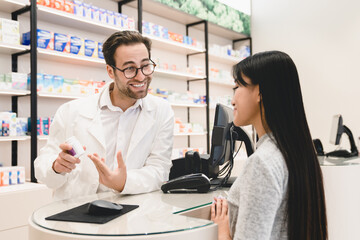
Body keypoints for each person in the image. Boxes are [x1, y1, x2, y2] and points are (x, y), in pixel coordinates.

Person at [35, 31, 174, 200]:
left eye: (145, 66)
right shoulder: (70, 111)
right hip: (75, 217)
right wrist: (57, 166)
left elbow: (160, 170)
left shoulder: (162, 111)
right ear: (110, 71)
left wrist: (124, 182)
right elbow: (42, 169)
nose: (141, 76)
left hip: (133, 215)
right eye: (130, 68)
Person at [211, 51, 327, 240]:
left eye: (237, 86)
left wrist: (222, 230)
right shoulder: (297, 152)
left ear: (260, 92)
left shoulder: (261, 163)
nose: (232, 100)